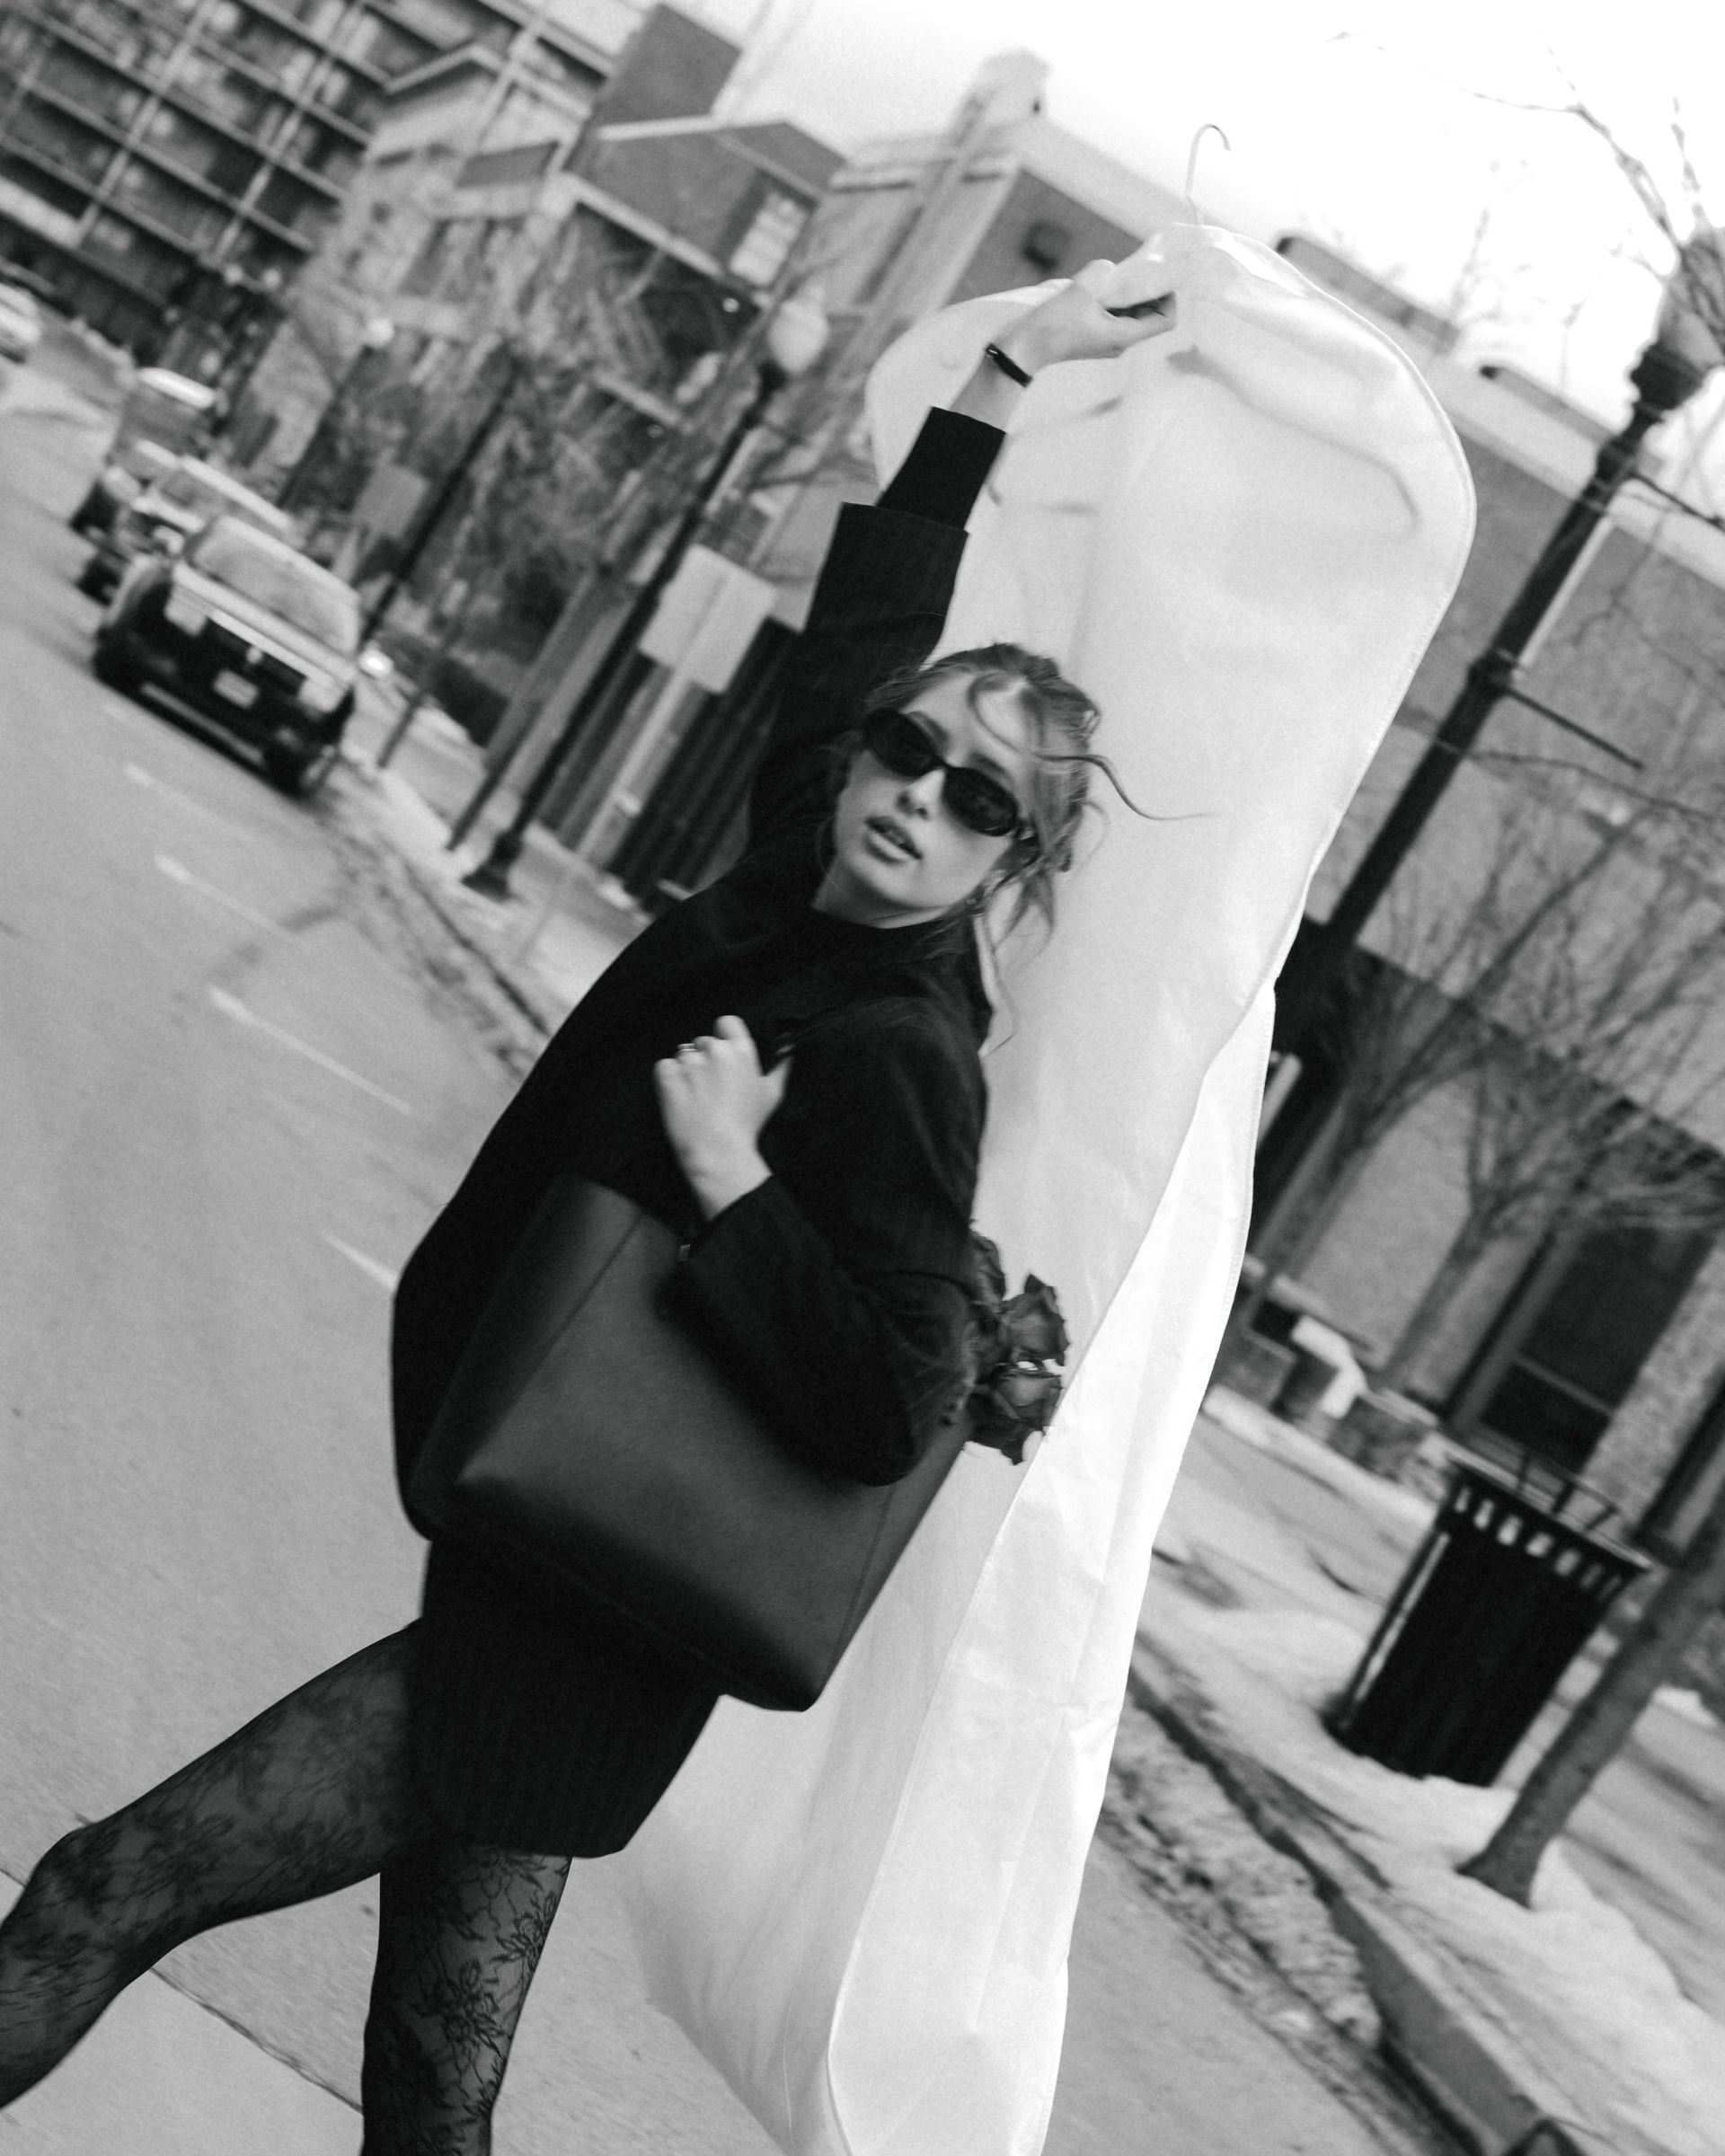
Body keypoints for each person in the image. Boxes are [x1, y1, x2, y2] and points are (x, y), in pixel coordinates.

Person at [0, 265, 1174, 2148]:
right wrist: (1007, 377)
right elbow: (851, 642)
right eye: (910, 747)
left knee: (102, 1889)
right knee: (431, 2075)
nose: (917, 793)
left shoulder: (899, 1049)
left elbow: (891, 1396)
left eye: (973, 801)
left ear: (1006, 864)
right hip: (548, 1560)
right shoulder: (813, 883)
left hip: (588, 1625)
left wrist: (730, 1190)